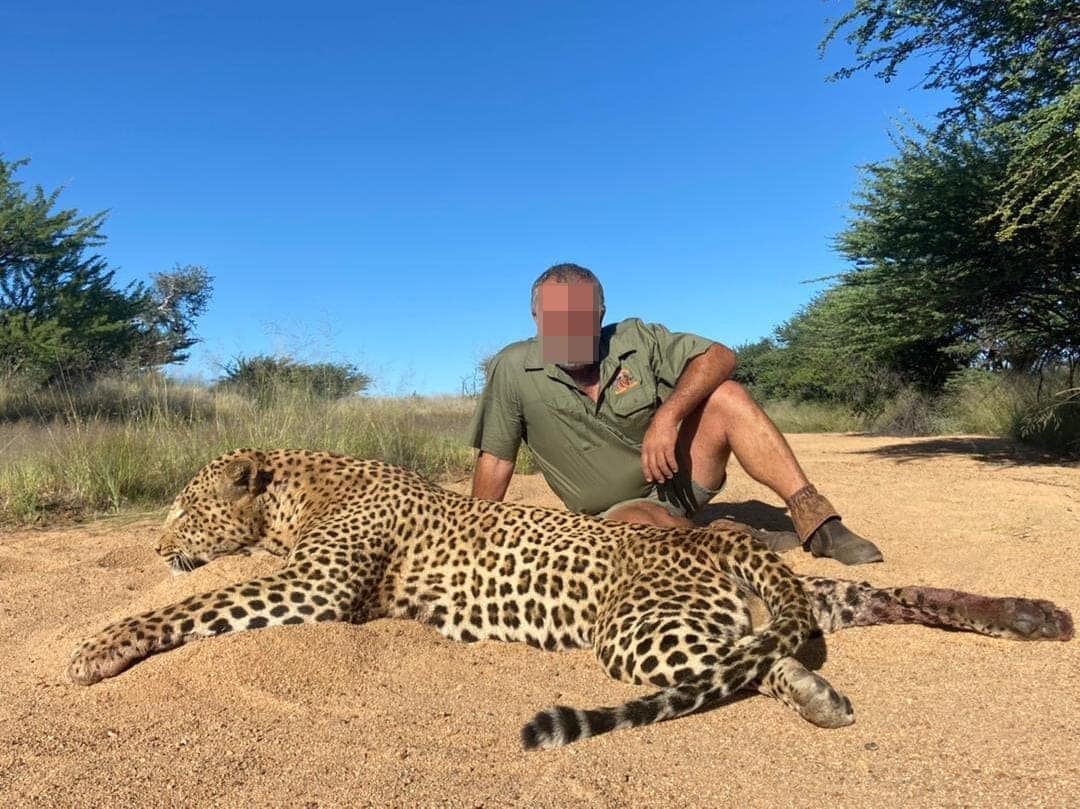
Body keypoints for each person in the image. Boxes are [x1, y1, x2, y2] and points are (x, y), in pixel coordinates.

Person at [467, 263, 883, 564]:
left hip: (677, 481)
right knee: (639, 526)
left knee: (728, 395)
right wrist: (474, 541)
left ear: (600, 315)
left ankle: (818, 521)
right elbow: (496, 461)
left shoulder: (635, 338)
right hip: (612, 514)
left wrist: (668, 417)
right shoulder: (512, 368)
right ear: (536, 318)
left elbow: (719, 356)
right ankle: (734, 543)